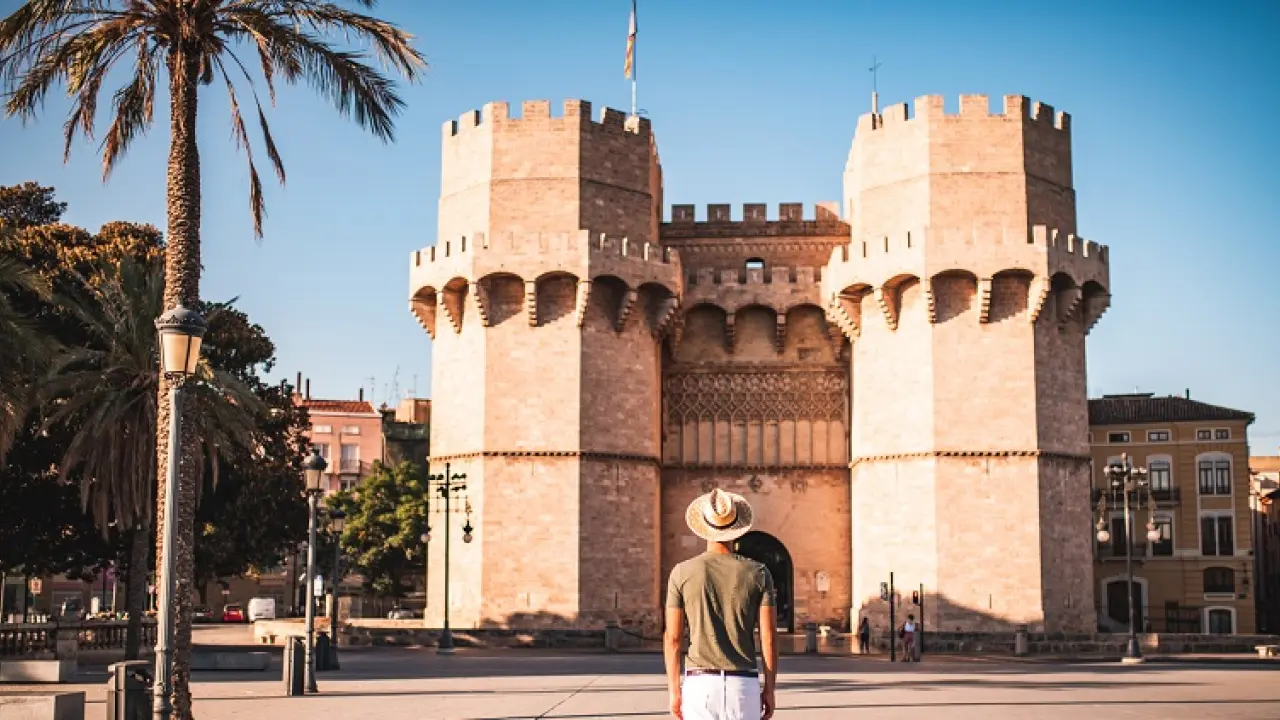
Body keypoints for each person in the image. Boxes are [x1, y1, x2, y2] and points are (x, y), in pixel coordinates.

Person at [664, 488, 778, 720]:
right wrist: (769, 689)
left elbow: (673, 639)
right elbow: (768, 637)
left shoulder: (681, 572)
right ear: (737, 527)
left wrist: (674, 690)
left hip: (700, 685)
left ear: (704, 526)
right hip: (743, 684)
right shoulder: (758, 572)